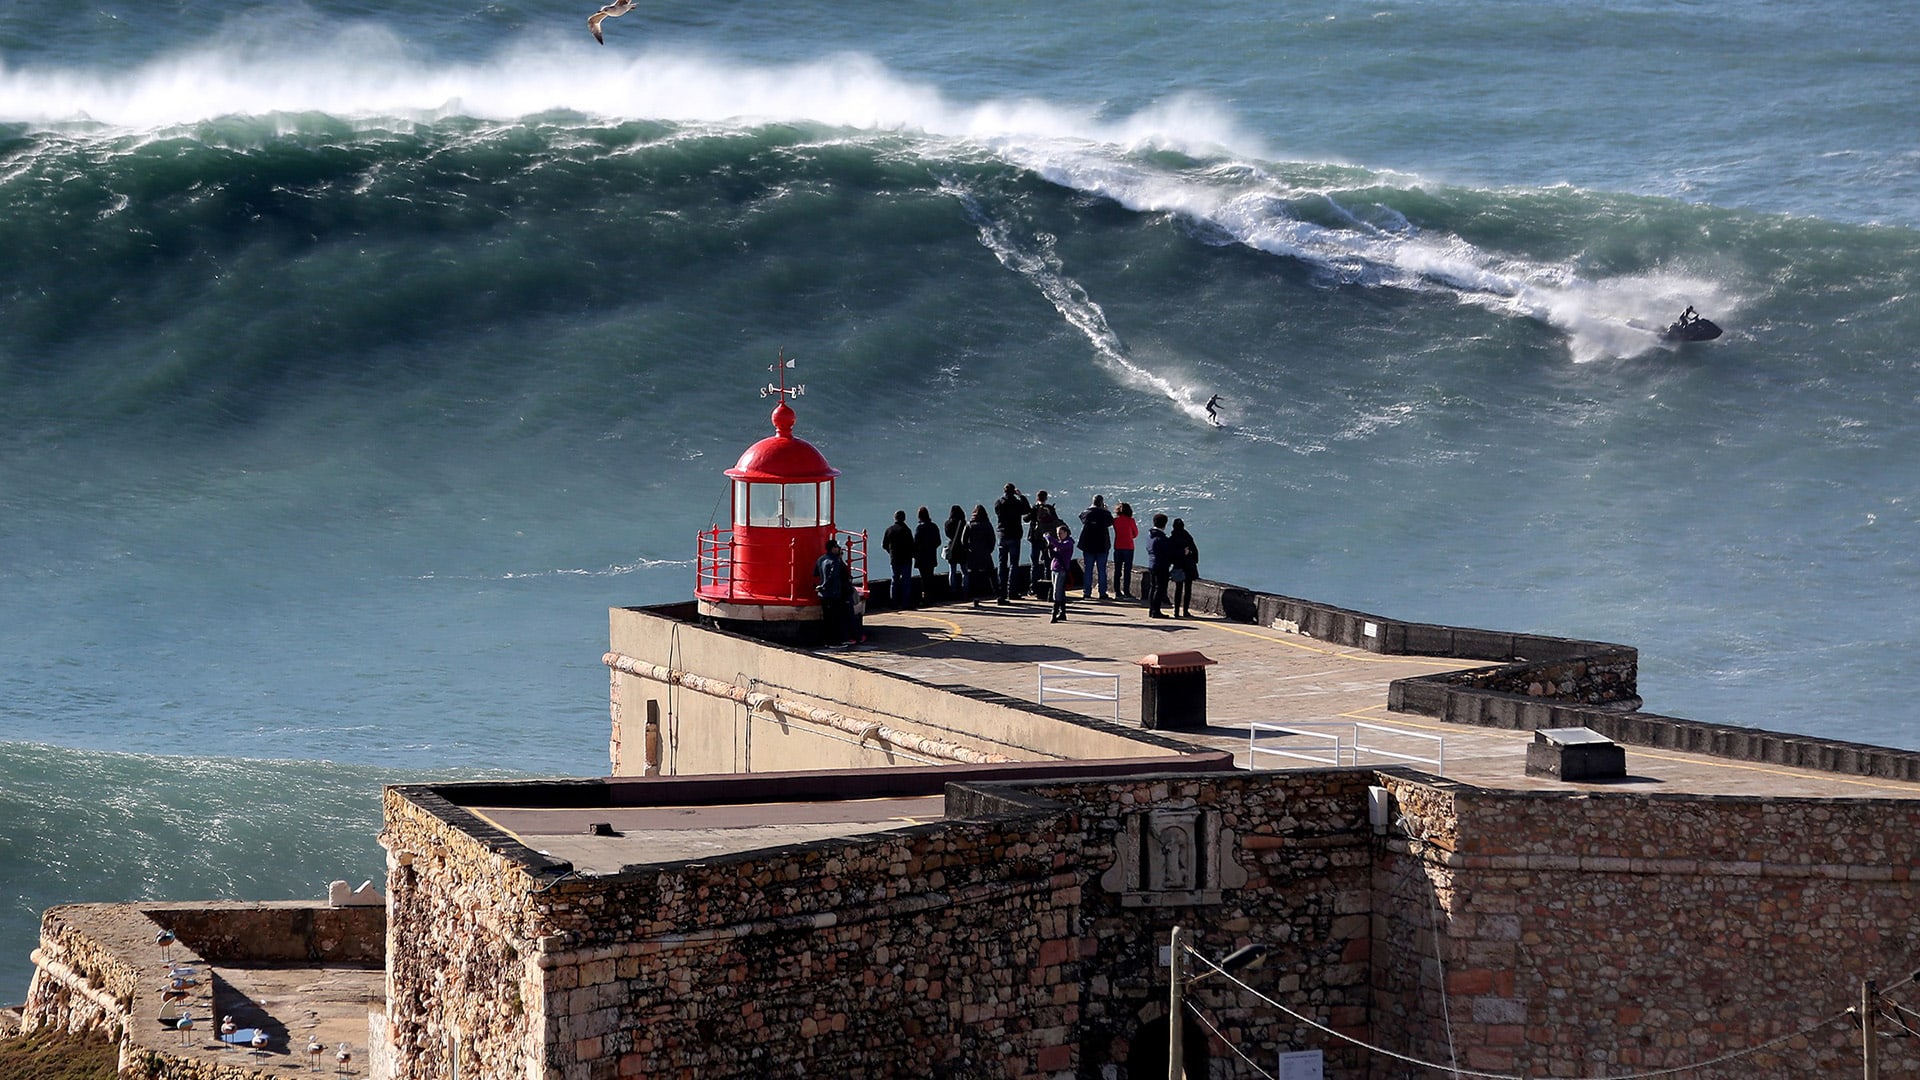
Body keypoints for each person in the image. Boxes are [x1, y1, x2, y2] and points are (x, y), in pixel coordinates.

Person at [992, 483, 1031, 604]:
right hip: (1014, 535)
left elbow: (997, 513)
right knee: (1014, 564)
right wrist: (1022, 496)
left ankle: (1001, 593)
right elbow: (1027, 510)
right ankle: (1012, 591)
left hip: (1002, 535)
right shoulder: (1016, 503)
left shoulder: (998, 502)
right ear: (1014, 491)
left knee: (1002, 564)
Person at [813, 538, 854, 646]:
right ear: (833, 549)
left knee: (827, 619)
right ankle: (836, 641)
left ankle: (827, 641)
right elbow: (832, 577)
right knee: (836, 618)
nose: (838, 548)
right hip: (834, 594)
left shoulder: (820, 559)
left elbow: (816, 573)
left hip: (823, 595)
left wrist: (820, 586)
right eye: (836, 546)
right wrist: (824, 586)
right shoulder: (835, 561)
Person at [961, 504, 998, 608]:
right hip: (985, 553)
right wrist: (989, 550)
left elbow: (963, 540)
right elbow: (992, 539)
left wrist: (969, 548)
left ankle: (975, 598)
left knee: (974, 576)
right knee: (991, 573)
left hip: (973, 554)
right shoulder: (987, 524)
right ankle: (998, 594)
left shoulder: (969, 524)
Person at [1078, 494, 1113, 600]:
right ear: (1102, 503)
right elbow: (1111, 521)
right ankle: (1102, 593)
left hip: (1088, 545)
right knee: (1102, 570)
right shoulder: (1105, 514)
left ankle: (1087, 592)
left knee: (1088, 569)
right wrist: (1106, 510)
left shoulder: (1087, 513)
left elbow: (1081, 516)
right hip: (1102, 545)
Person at [1026, 491, 1061, 586]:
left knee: (1034, 564)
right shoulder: (1050, 508)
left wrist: (1032, 510)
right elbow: (1056, 521)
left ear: (1037, 498)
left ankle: (1033, 587)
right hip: (1047, 539)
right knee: (1048, 563)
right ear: (1046, 498)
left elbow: (1025, 519)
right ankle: (1050, 585)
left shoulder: (1034, 509)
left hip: (1035, 538)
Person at [881, 510, 915, 608]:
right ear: (904, 518)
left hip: (894, 558)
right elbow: (912, 545)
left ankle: (894, 602)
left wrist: (890, 552)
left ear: (894, 518)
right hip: (906, 559)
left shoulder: (889, 530)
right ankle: (906, 603)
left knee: (895, 580)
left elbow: (884, 545)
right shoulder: (907, 530)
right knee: (906, 581)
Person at [1168, 517, 1199, 617]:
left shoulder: (1172, 538)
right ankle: (1185, 611)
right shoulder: (1188, 537)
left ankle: (1176, 611)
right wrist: (1194, 561)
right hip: (1189, 566)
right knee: (1188, 589)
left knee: (1178, 589)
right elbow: (1195, 551)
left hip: (1179, 566)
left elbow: (1170, 554)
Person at [1144, 512, 1173, 618]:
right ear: (1164, 524)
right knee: (1160, 588)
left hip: (1152, 564)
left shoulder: (1150, 535)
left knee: (1153, 587)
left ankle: (1152, 610)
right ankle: (1156, 611)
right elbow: (1167, 552)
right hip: (1161, 565)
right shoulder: (1161, 538)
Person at [913, 506, 943, 601]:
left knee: (924, 578)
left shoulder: (919, 528)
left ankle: (926, 597)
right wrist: (932, 547)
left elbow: (916, 542)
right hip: (931, 555)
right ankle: (931, 596)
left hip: (921, 557)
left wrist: (916, 553)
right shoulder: (934, 527)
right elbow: (938, 541)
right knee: (930, 576)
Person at [1047, 524, 1075, 623]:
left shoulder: (1068, 543)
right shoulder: (1059, 543)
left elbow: (1060, 546)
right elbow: (1054, 554)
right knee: (1060, 591)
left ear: (1066, 533)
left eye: (1061, 533)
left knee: (1057, 592)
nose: (1059, 535)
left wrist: (1050, 538)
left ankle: (1054, 613)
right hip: (1054, 568)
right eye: (1057, 534)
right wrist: (1050, 547)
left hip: (1061, 570)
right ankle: (1062, 612)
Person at [1112, 502, 1139, 599]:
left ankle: (1117, 592)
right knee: (1127, 571)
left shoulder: (1115, 520)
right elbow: (1135, 533)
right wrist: (1130, 536)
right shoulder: (1131, 520)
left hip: (1118, 546)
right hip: (1128, 547)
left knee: (1117, 570)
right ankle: (1126, 592)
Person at [943, 504, 967, 590]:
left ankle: (953, 590)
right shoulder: (963, 523)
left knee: (952, 571)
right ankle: (965, 590)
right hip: (962, 548)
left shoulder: (947, 523)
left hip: (952, 547)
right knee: (964, 571)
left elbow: (947, 534)